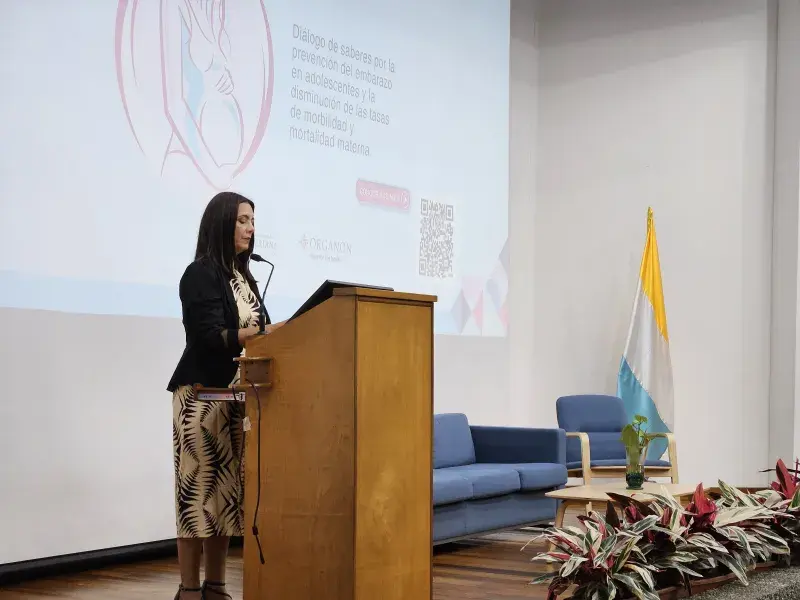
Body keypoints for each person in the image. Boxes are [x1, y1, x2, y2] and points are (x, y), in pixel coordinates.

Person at [167, 191, 281, 599]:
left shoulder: (245, 277)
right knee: (197, 498)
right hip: (200, 399)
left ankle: (216, 588)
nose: (251, 228)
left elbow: (258, 333)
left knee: (226, 500)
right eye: (243, 220)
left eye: (252, 220)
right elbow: (206, 337)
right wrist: (257, 333)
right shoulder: (200, 273)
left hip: (235, 400)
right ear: (221, 223)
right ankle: (189, 590)